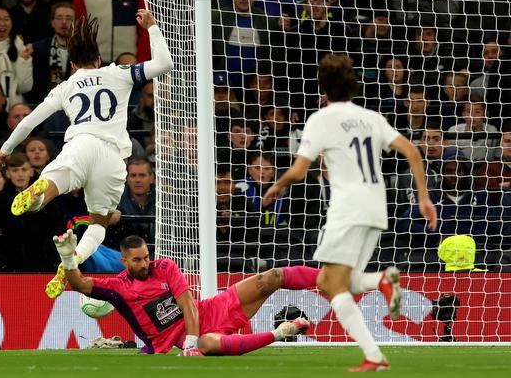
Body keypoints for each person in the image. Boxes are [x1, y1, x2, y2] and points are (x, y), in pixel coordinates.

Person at [263, 53, 438, 372]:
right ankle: (379, 303)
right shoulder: (370, 117)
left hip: (348, 208)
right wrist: (424, 199)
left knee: (331, 285)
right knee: (340, 281)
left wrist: (278, 185)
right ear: (353, 86)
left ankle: (375, 344)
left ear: (324, 89)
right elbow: (412, 151)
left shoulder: (321, 119)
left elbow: (301, 170)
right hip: (376, 206)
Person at [0, 9, 173, 298]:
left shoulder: (66, 86)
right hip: (113, 156)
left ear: (73, 65)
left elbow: (29, 120)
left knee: (50, 188)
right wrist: (151, 27)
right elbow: (164, 63)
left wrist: (6, 149)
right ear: (99, 60)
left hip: (80, 144)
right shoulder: (119, 73)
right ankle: (71, 263)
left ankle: (41, 189)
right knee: (99, 222)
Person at [55, 233, 312, 355]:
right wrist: (68, 257)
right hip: (176, 340)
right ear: (124, 261)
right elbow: (79, 283)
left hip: (210, 311)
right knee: (208, 344)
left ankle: (329, 279)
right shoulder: (118, 287)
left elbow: (187, 302)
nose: (144, 264)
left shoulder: (165, 267)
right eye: (137, 260)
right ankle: (282, 333)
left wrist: (191, 338)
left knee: (272, 278)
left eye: (146, 257)